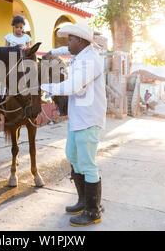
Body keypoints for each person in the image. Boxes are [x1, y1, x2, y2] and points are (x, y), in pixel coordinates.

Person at [41, 23, 106, 227]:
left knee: (87, 163)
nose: (67, 43)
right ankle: (83, 201)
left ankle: (93, 210)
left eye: (70, 39)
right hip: (78, 117)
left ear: (80, 40)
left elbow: (72, 86)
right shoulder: (81, 54)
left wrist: (43, 86)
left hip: (88, 118)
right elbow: (65, 50)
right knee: (74, 156)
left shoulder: (90, 61)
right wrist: (51, 51)